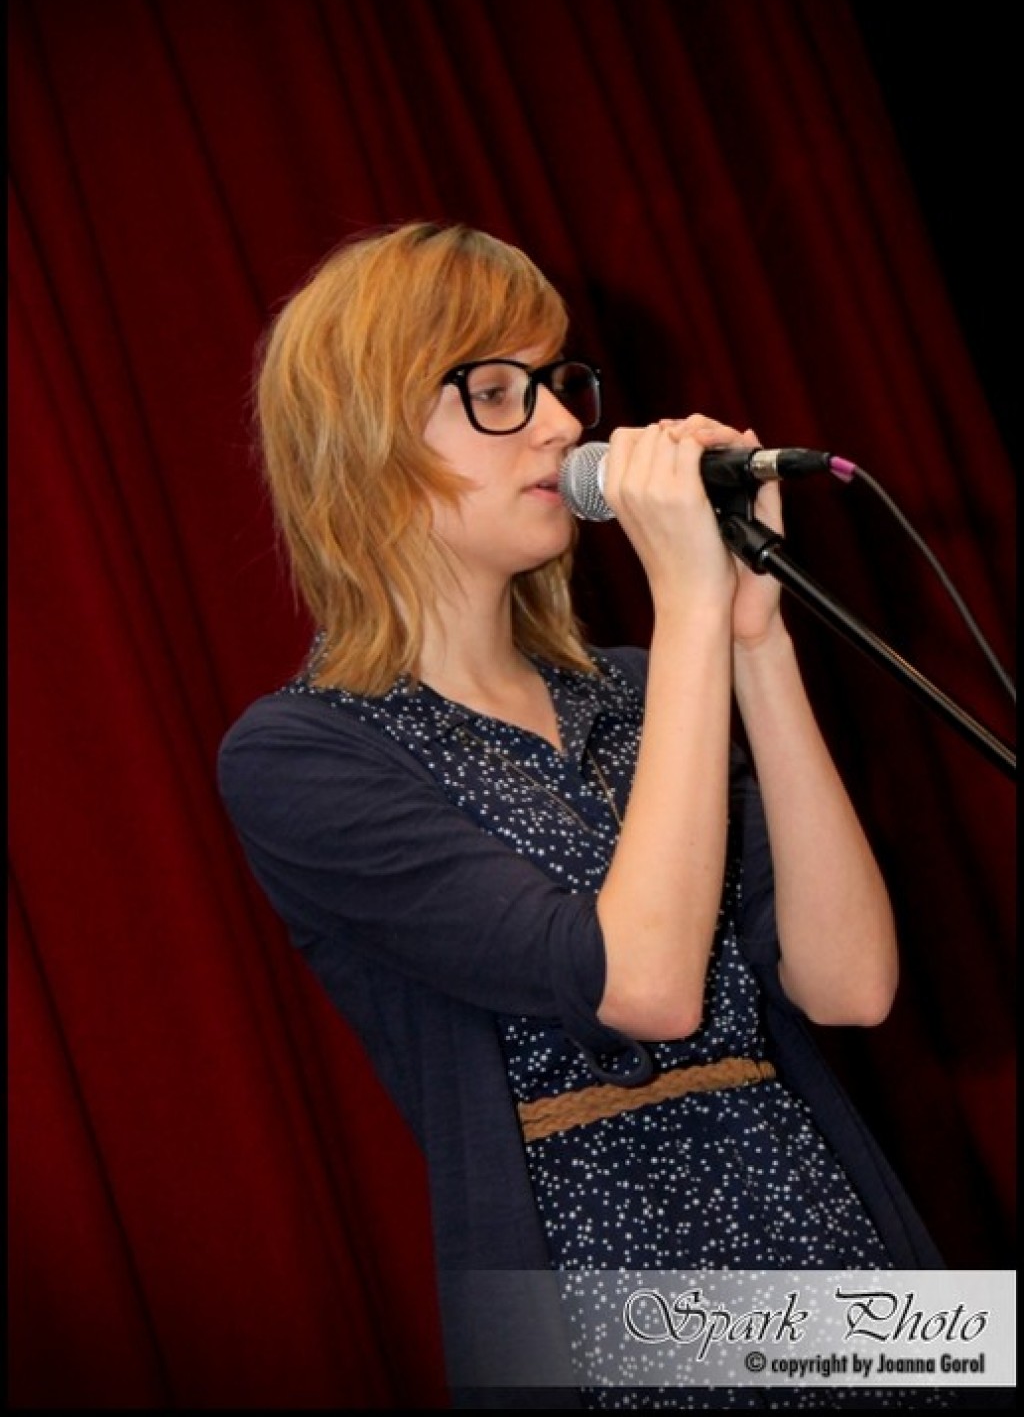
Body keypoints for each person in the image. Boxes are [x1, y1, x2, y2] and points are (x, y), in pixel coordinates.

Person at [217, 221, 955, 1410]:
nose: (562, 424)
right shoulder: (304, 753)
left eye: (558, 383)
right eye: (497, 391)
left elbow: (850, 984)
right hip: (599, 1294)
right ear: (366, 436)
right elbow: (643, 987)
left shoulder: (633, 690)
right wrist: (690, 613)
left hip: (816, 1223)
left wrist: (753, 642)